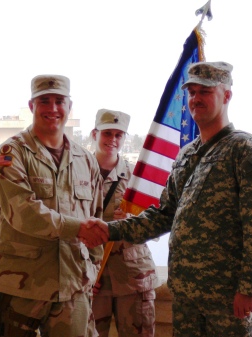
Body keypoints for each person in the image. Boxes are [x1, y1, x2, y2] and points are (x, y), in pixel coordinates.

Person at [82, 61, 252, 337]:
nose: (196, 99)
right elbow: (164, 214)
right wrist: (110, 230)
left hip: (228, 301)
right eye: (192, 92)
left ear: (226, 96)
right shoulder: (187, 154)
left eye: (206, 92)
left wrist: (247, 289)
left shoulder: (244, 150)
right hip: (189, 297)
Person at [0, 74, 107, 337]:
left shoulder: (86, 160)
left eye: (59, 101)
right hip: (21, 287)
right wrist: (78, 229)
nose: (53, 109)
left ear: (70, 106)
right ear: (32, 106)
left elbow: (96, 217)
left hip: (73, 288)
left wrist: (92, 269)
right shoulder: (10, 155)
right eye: (44, 101)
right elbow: (24, 213)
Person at [90, 109, 161, 337]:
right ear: (94, 134)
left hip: (133, 276)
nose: (113, 140)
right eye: (107, 133)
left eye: (119, 135)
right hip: (94, 276)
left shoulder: (136, 179)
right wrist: (81, 272)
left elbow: (158, 225)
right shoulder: (76, 175)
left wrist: (132, 221)